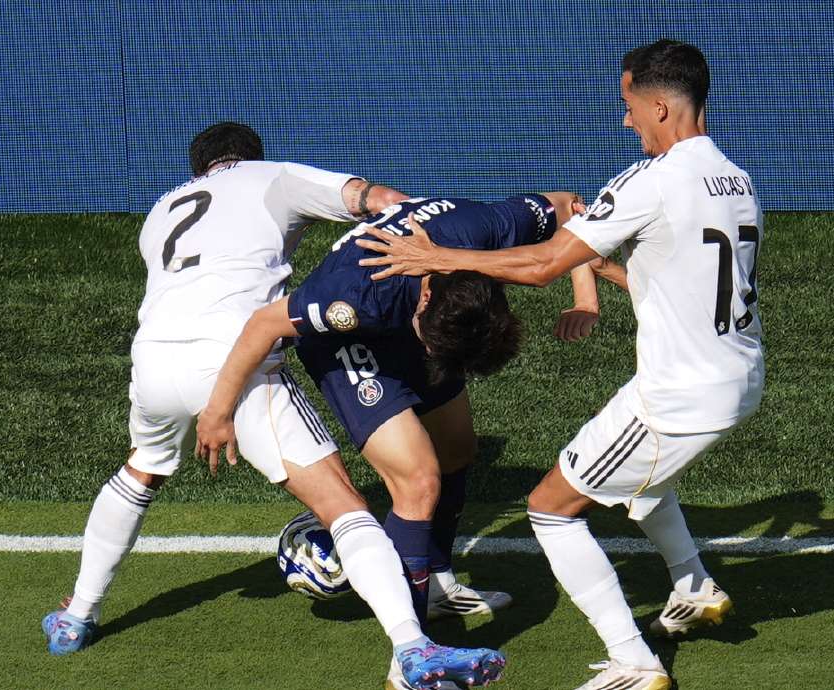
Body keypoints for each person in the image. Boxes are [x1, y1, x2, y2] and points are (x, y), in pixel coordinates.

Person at [357, 40, 764, 690]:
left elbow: (543, 262)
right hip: (739, 374)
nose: (625, 121)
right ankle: (693, 584)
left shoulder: (652, 180)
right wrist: (601, 270)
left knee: (551, 506)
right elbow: (676, 281)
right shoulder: (736, 179)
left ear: (659, 105)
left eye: (630, 107)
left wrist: (441, 259)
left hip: (680, 394)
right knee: (643, 478)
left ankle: (635, 663)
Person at [41, 122, 504, 690]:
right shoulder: (273, 177)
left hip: (153, 359)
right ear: (249, 157)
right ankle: (413, 649)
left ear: (199, 169)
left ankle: (76, 616)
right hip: (233, 358)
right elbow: (381, 203)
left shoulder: (161, 208)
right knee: (343, 506)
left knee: (141, 470)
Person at [196, 191, 580, 689]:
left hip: (409, 323)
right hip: (350, 345)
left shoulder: (483, 229)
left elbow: (571, 209)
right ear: (424, 299)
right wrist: (218, 411)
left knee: (458, 450)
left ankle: (436, 584)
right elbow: (263, 324)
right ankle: (409, 655)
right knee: (418, 483)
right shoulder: (351, 297)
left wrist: (584, 298)